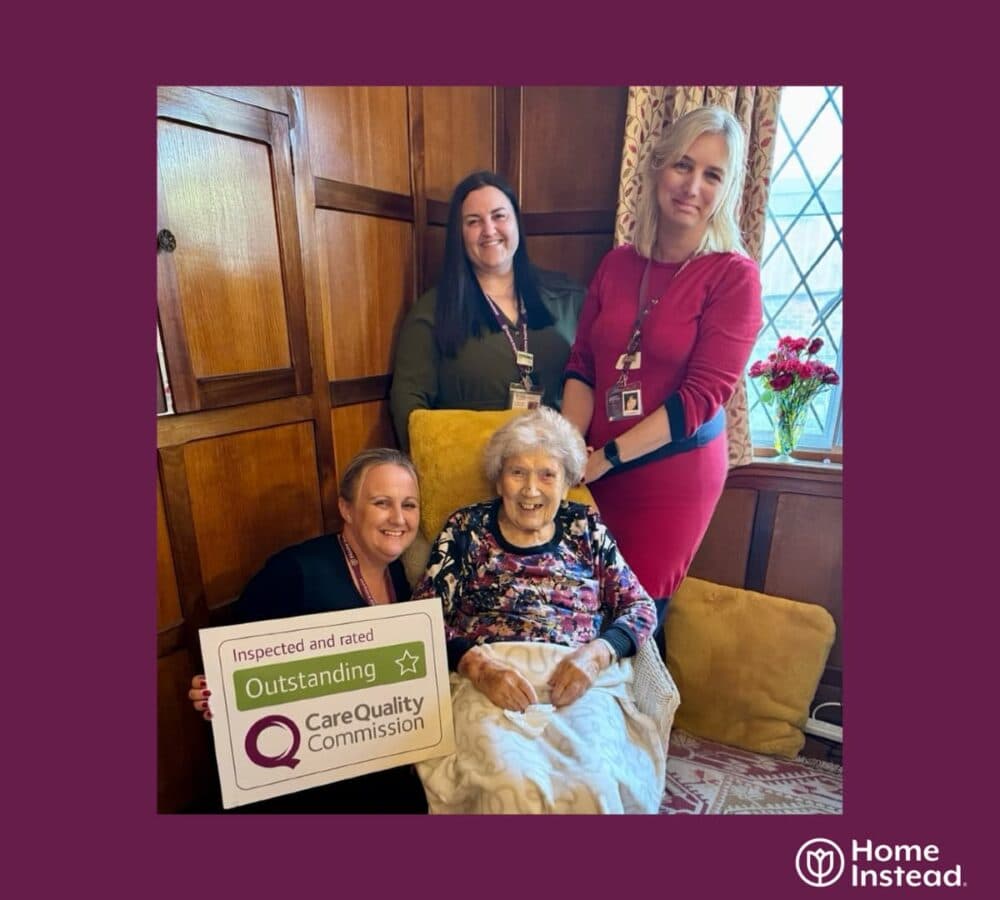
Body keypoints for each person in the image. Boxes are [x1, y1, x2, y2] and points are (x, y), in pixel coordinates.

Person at [561, 106, 764, 645]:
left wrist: (605, 458)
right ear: (655, 169)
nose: (692, 185)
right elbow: (583, 362)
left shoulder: (733, 276)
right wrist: (567, 449)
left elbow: (700, 399)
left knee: (632, 620)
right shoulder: (617, 264)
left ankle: (643, 725)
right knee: (579, 604)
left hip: (671, 473)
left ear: (727, 188)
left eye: (712, 175)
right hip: (592, 463)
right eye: (683, 165)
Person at [411, 408, 669, 814]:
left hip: (579, 675)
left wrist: (596, 654)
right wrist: (476, 666)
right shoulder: (467, 527)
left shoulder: (586, 528)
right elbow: (421, 616)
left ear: (566, 483)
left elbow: (639, 607)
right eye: (517, 473)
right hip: (491, 675)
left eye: (547, 474)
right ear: (499, 479)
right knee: (507, 783)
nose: (531, 489)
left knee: (593, 781)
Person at [187, 448, 428, 814]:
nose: (398, 518)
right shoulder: (295, 572)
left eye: (409, 505)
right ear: (346, 509)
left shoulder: (400, 574)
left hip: (371, 758)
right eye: (382, 502)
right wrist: (214, 693)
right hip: (303, 777)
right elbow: (231, 672)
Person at [390, 170, 584, 452]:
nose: (489, 230)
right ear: (459, 235)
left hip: (553, 473)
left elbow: (593, 379)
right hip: (472, 473)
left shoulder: (568, 297)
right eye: (473, 221)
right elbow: (409, 405)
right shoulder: (431, 313)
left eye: (499, 216)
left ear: (517, 222)